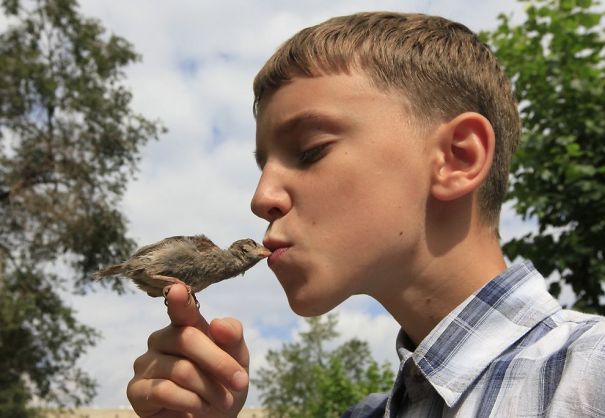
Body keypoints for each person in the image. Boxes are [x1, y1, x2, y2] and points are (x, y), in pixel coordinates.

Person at [126, 12, 605, 417]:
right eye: (263, 165)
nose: (261, 197)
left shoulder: (590, 377)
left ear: (457, 158)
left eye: (311, 150)